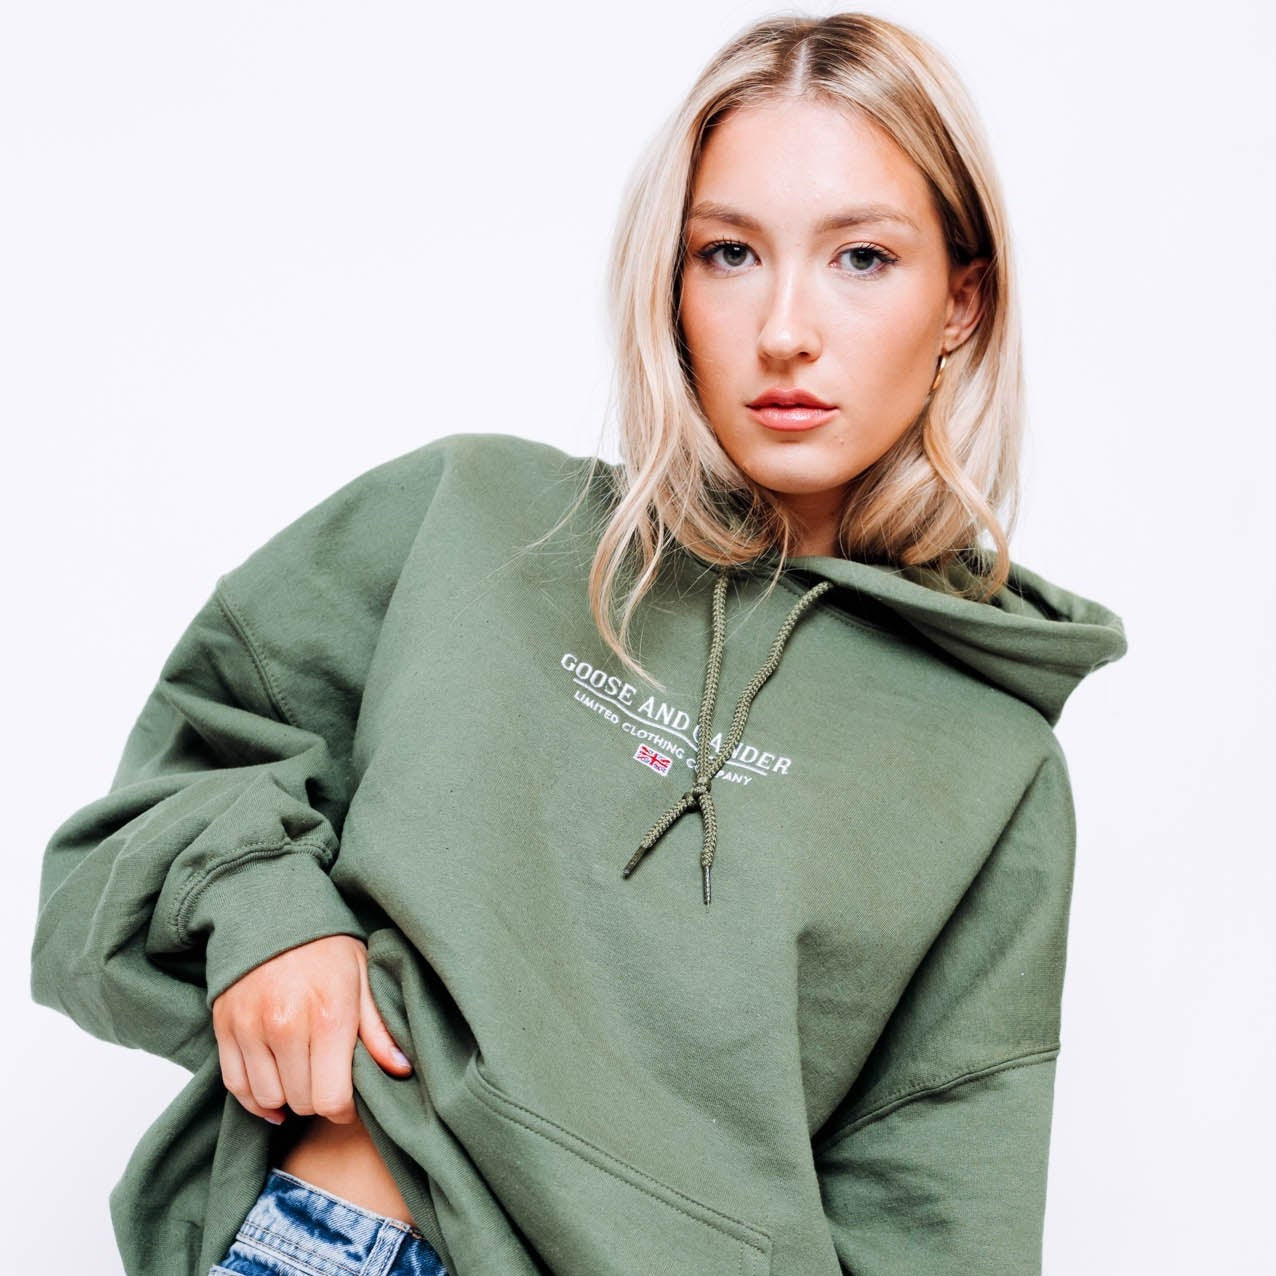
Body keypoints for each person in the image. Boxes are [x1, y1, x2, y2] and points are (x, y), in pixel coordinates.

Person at [30, 10, 1127, 1276]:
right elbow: (134, 830)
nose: (785, 327)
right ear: (671, 282)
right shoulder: (472, 519)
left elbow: (939, 1212)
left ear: (959, 302)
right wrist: (271, 914)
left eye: (862, 257)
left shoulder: (990, 756)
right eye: (728, 252)